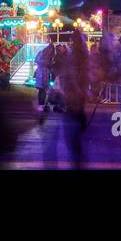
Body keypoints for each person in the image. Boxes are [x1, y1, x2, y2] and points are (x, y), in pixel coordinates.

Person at [57, 28, 91, 168]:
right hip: (76, 94)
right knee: (77, 121)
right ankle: (77, 156)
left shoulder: (75, 55)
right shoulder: (81, 54)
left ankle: (76, 156)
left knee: (74, 123)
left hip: (74, 94)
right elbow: (76, 73)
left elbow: (71, 73)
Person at [34, 40, 55, 109]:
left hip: (46, 73)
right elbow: (36, 60)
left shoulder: (50, 57)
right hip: (41, 73)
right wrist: (45, 63)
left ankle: (42, 104)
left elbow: (51, 65)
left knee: (44, 90)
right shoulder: (41, 53)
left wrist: (51, 66)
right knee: (41, 89)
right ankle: (40, 104)